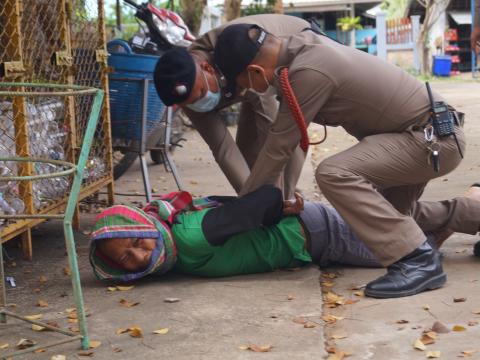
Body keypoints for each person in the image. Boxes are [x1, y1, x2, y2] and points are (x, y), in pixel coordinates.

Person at [211, 22, 480, 298]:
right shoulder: (302, 48)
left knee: (334, 173)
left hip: (432, 139)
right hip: (424, 134)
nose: (250, 93)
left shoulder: (308, 71)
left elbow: (278, 147)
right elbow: (286, 144)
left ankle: (417, 260)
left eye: (245, 86)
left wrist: (236, 214)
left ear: (255, 72)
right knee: (383, 215)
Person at [89, 184, 480, 285]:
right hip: (316, 239)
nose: (141, 256)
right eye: (126, 259)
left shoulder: (189, 237)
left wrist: (281, 205)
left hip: (319, 232)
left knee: (413, 250)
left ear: (145, 226)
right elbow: (228, 204)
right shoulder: (176, 241)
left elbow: (259, 201)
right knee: (410, 227)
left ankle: (470, 203)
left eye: (138, 242)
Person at [153, 14, 315, 199]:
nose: (196, 104)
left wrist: (280, 197)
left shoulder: (239, 54)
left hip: (299, 50)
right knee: (248, 157)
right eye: (188, 104)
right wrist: (248, 201)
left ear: (207, 68)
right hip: (243, 87)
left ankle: (290, 199)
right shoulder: (189, 93)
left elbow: (275, 138)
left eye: (198, 95)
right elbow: (223, 150)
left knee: (284, 136)